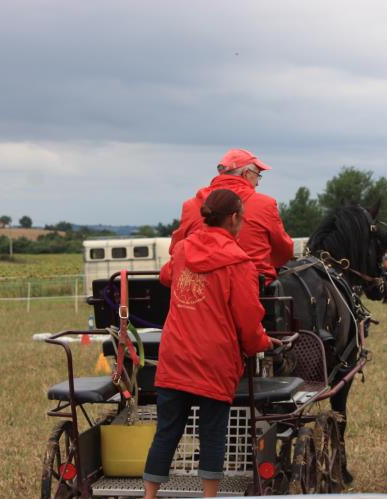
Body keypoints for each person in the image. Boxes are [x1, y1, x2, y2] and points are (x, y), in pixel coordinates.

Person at [143, 189, 281, 498]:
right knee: (213, 434)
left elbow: (166, 276)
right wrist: (262, 342)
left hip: (175, 356)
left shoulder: (183, 250)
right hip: (214, 360)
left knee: (166, 432)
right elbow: (248, 320)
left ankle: (149, 495)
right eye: (242, 218)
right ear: (232, 218)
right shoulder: (240, 263)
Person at [169, 148, 294, 282]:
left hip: (200, 287)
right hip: (253, 284)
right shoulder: (266, 204)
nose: (258, 182)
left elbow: (175, 249)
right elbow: (284, 252)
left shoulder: (190, 206)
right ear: (246, 173)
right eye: (258, 175)